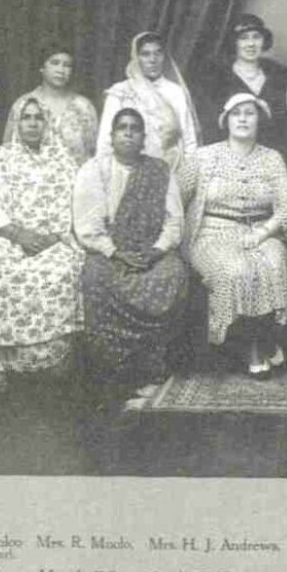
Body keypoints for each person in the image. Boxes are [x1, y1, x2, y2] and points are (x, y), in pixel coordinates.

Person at [0, 98, 84, 391]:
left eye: (38, 118)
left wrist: (51, 236)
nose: (32, 123)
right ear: (17, 123)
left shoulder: (64, 162)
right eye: (26, 117)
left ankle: (51, 361)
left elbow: (73, 204)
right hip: (6, 237)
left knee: (59, 273)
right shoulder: (1, 159)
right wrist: (17, 235)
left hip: (51, 240)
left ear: (47, 124)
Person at [179, 94, 287, 377]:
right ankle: (253, 347)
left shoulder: (271, 158)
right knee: (235, 269)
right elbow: (176, 199)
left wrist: (264, 232)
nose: (243, 119)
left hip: (262, 232)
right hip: (211, 233)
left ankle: (262, 338)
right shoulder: (203, 157)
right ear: (226, 120)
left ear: (260, 120)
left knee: (273, 262)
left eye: (249, 113)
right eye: (236, 113)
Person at [74, 108, 189, 398]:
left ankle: (151, 367)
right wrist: (115, 252)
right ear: (111, 136)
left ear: (143, 138)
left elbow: (174, 221)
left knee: (173, 274)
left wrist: (156, 251)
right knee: (95, 278)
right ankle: (113, 371)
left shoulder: (160, 171)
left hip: (151, 250)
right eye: (122, 127)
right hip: (109, 250)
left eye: (135, 128)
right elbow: (87, 225)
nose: (128, 133)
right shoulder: (94, 170)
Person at [194, 14, 287, 168]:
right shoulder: (216, 79)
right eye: (243, 38)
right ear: (233, 42)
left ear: (264, 41)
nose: (251, 44)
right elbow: (210, 125)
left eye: (256, 37)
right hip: (229, 161)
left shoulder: (280, 76)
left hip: (272, 160)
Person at [96, 31, 200, 167]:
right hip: (129, 169)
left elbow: (189, 139)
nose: (152, 60)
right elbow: (105, 140)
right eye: (145, 54)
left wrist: (189, 172)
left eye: (158, 53)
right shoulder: (120, 92)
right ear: (136, 58)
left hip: (170, 168)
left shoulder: (175, 92)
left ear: (164, 57)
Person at [2, 40, 99, 165]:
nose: (61, 70)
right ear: (42, 67)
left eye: (67, 65)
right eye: (55, 63)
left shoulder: (84, 107)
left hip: (77, 175)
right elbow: (8, 149)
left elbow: (94, 153)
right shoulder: (23, 104)